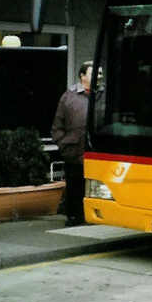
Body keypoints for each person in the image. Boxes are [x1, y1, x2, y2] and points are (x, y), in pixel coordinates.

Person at [52, 61, 96, 226]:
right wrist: (63, 145)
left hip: (96, 152)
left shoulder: (103, 95)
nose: (99, 77)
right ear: (82, 76)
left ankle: (92, 216)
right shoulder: (69, 96)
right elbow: (57, 126)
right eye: (94, 73)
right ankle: (73, 217)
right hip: (73, 151)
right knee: (75, 186)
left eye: (100, 74)